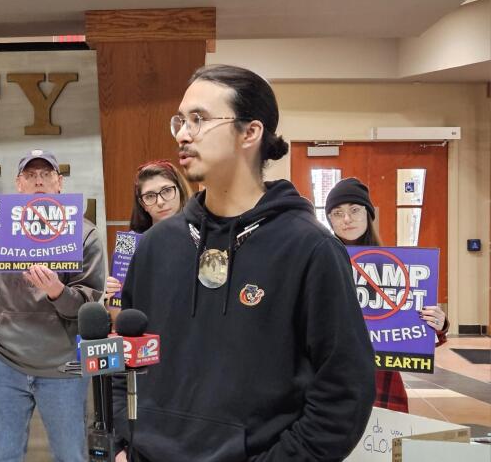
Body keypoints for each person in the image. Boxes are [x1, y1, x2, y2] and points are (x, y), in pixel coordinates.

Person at [112, 64, 376, 461]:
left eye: (199, 119)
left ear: (250, 132)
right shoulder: (155, 246)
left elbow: (344, 392)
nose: (183, 134)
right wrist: (123, 442)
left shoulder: (310, 248)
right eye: (180, 121)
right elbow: (125, 354)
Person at [0, 149, 105, 462]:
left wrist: (58, 291)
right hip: (3, 362)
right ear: (19, 184)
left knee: (71, 456)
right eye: (31, 175)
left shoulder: (84, 233)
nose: (38, 181)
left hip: (62, 366)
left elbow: (90, 308)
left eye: (46, 174)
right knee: (4, 456)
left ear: (59, 183)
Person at [325, 177, 449, 413]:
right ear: (330, 219)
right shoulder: (319, 262)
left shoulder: (396, 265)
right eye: (338, 213)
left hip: (381, 385)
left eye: (354, 210)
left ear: (368, 214)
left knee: (382, 448)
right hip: (332, 381)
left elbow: (423, 333)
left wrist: (438, 323)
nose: (347, 219)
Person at [104, 160, 191, 318]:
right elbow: (119, 320)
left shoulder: (201, 236)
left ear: (180, 190)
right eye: (150, 196)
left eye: (166, 191)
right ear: (142, 204)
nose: (160, 202)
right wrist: (113, 297)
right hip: (147, 337)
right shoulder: (128, 245)